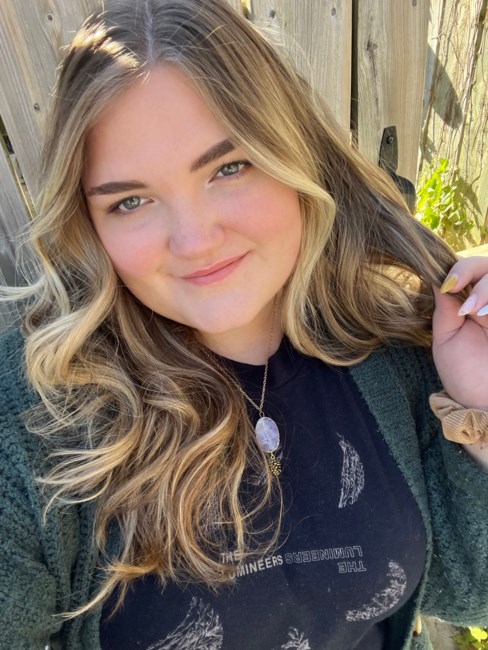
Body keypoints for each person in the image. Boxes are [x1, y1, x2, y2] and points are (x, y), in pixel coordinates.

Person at [1, 0, 487, 648]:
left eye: (228, 168)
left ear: (296, 158)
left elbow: (473, 585)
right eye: (131, 201)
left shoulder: (386, 346)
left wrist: (481, 409)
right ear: (88, 223)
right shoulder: (35, 420)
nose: (195, 240)